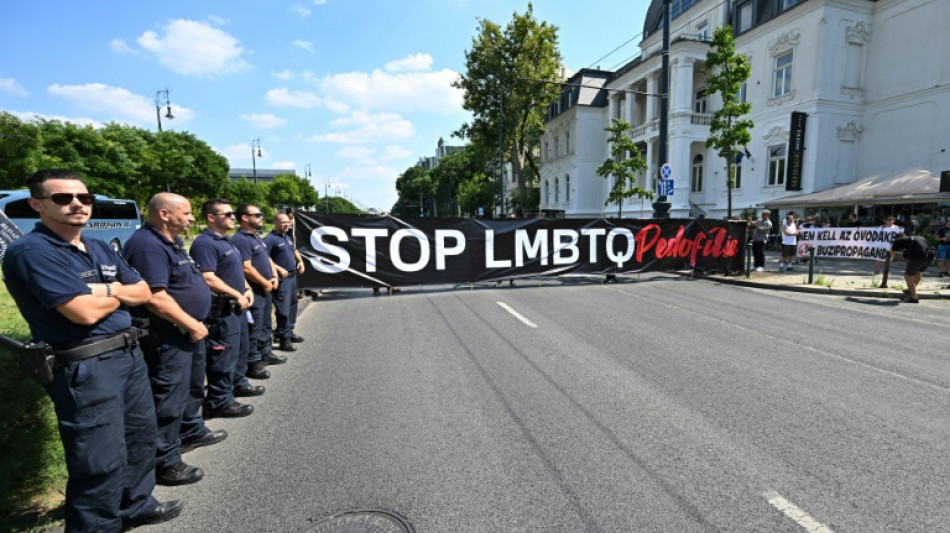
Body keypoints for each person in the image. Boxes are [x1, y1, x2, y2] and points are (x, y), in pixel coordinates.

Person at [2, 169, 183, 531]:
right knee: (98, 458)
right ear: (37, 204)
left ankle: (134, 505)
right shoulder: (31, 251)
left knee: (140, 437)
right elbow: (81, 312)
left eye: (84, 199)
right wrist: (114, 289)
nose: (76, 205)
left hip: (127, 355)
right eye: (63, 198)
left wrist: (100, 291)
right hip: (86, 364)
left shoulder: (97, 245)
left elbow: (143, 291)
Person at [123, 193, 227, 486]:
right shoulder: (147, 246)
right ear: (165, 214)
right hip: (169, 334)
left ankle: (190, 430)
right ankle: (164, 462)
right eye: (187, 213)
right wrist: (190, 323)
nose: (192, 218)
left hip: (189, 331)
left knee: (192, 387)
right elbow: (156, 298)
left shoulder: (172, 242)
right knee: (168, 396)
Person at [190, 199, 258, 419]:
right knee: (223, 355)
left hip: (237, 306)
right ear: (211, 217)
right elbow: (208, 277)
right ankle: (219, 401)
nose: (232, 217)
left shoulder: (227, 241)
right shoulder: (204, 243)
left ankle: (237, 385)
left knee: (239, 349)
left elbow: (237, 270)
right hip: (223, 309)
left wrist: (246, 288)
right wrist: (236, 294)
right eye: (227, 214)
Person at [232, 204, 287, 384]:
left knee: (265, 324)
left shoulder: (256, 237)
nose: (261, 217)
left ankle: (266, 353)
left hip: (267, 287)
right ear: (245, 218)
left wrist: (273, 276)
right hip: (256, 290)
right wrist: (264, 282)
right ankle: (253, 362)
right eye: (257, 215)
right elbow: (245, 267)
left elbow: (268, 259)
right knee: (254, 328)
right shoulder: (241, 239)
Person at [264, 212, 305, 352]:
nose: (286, 224)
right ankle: (283, 338)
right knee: (283, 309)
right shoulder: (270, 239)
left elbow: (294, 250)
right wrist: (278, 268)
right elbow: (264, 258)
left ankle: (289, 331)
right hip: (282, 279)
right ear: (275, 222)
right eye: (283, 222)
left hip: (292, 277)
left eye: (288, 222)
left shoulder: (286, 237)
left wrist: (300, 261)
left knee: (293, 305)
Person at [891, 234, 936, 303]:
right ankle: (911, 290)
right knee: (919, 271)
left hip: (918, 257)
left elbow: (892, 255)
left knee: (908, 276)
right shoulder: (919, 237)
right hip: (931, 256)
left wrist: (886, 259)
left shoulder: (897, 241)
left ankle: (914, 297)